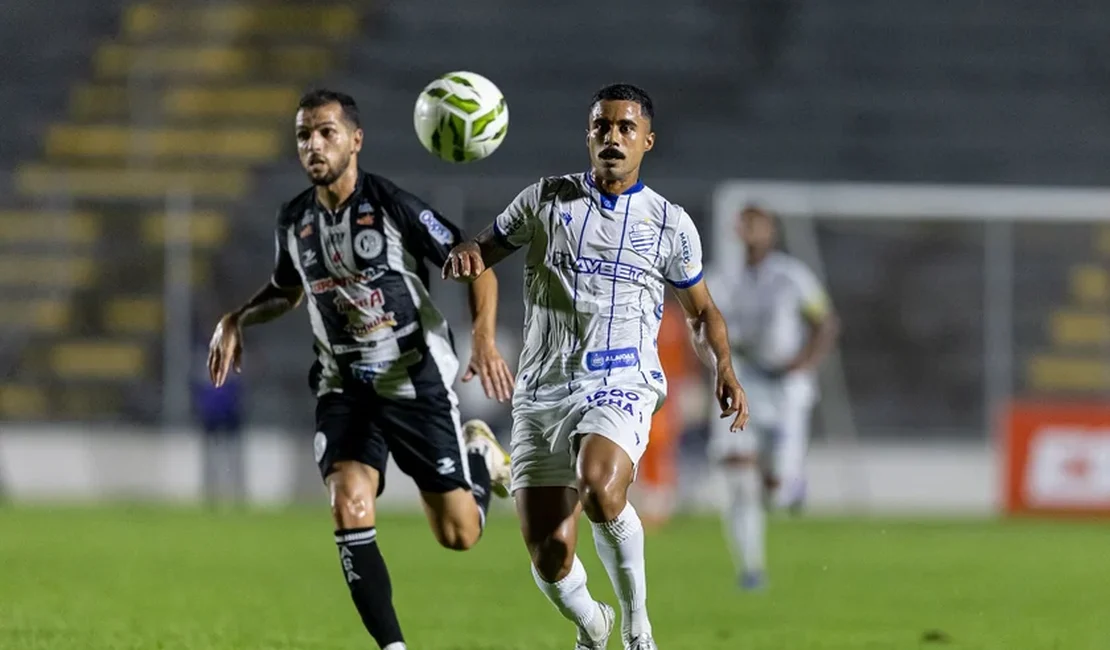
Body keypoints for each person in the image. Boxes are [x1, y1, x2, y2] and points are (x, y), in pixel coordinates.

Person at [443, 83, 749, 650]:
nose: (613, 137)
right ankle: (595, 624)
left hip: (621, 382)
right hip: (542, 388)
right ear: (588, 136)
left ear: (646, 141)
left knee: (601, 485)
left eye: (625, 128)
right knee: (551, 557)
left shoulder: (669, 224)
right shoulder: (544, 199)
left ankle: (637, 627)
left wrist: (723, 367)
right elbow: (482, 254)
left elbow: (702, 311)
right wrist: (478, 309)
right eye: (602, 127)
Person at [206, 89, 515, 650]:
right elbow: (286, 291)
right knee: (348, 502)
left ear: (356, 139)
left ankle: (476, 452)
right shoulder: (294, 219)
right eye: (304, 135)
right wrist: (238, 318)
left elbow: (479, 266)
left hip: (413, 378)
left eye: (326, 132)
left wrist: (485, 343)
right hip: (342, 384)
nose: (313, 145)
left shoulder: (392, 206)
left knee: (459, 535)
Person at [706, 204, 839, 591]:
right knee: (738, 478)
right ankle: (750, 568)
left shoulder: (791, 276)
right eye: (744, 225)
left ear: (771, 231)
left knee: (775, 492)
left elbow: (825, 322)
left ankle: (790, 485)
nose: (750, 232)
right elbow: (700, 324)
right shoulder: (721, 277)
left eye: (757, 225)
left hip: (785, 386)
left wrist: (804, 362)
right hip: (743, 383)